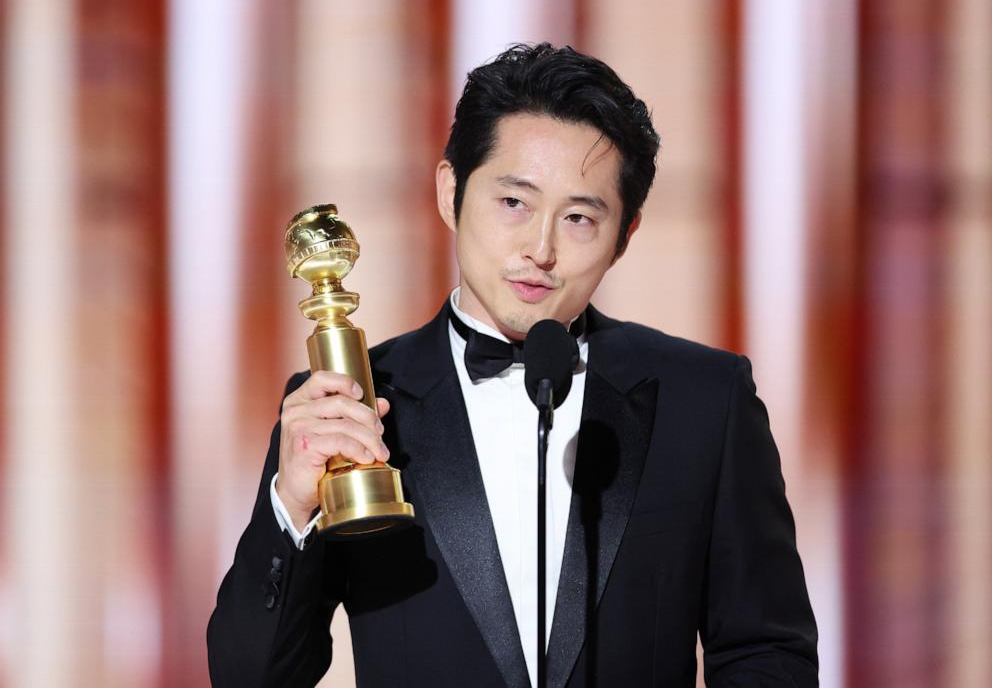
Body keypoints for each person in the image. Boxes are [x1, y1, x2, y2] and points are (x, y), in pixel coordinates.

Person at [207, 43, 818, 687]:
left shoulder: (707, 399)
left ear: (625, 237)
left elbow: (765, 652)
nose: (541, 249)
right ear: (451, 192)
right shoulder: (350, 402)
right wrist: (291, 509)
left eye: (580, 217)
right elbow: (252, 677)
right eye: (514, 203)